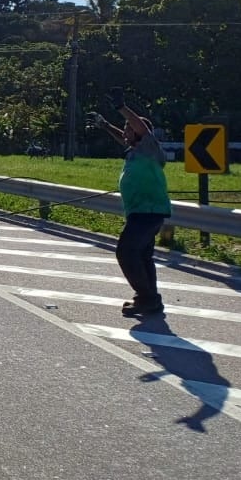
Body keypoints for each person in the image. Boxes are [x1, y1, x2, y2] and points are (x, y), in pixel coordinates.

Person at [89, 87, 171, 318]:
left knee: (126, 252)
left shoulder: (150, 148)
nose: (126, 132)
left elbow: (140, 129)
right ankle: (150, 301)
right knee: (143, 256)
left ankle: (147, 298)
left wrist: (121, 108)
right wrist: (105, 125)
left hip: (149, 212)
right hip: (141, 212)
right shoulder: (136, 152)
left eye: (128, 128)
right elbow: (123, 137)